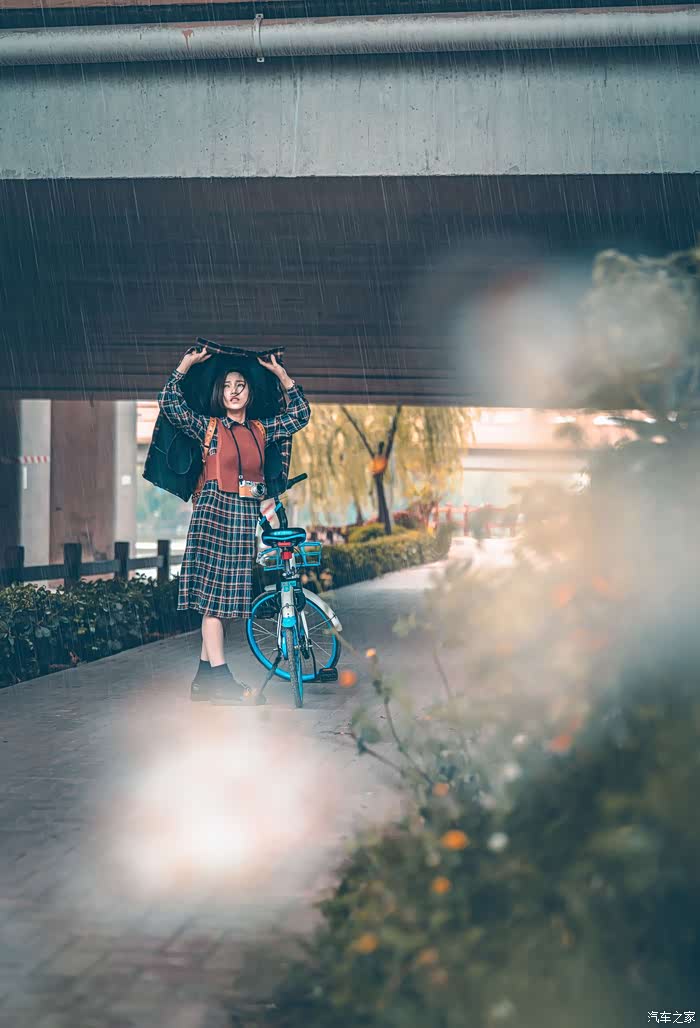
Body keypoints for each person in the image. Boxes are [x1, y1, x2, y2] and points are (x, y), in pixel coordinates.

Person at [158, 348, 311, 702]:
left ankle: (202, 682)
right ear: (220, 393)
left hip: (244, 516)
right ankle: (221, 679)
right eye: (227, 386)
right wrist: (186, 364)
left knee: (225, 603)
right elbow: (169, 403)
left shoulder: (261, 430)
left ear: (249, 392)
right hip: (213, 514)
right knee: (215, 604)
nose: (234, 391)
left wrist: (281, 375)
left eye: (240, 385)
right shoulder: (208, 427)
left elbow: (300, 415)